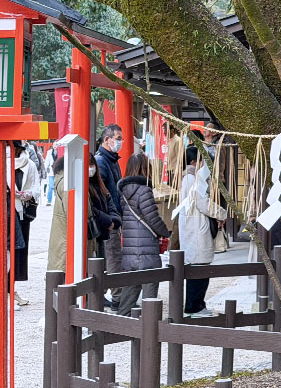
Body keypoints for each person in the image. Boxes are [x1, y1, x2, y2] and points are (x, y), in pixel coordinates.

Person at [116, 154, 170, 316]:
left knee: (130, 289)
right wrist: (166, 232)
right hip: (146, 249)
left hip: (130, 250)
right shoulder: (144, 190)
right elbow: (152, 218)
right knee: (150, 291)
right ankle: (149, 327)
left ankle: (121, 323)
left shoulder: (123, 191)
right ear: (145, 168)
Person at [179, 146, 225, 316]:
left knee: (198, 268)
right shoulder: (192, 179)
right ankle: (194, 305)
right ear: (194, 162)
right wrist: (221, 212)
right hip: (196, 229)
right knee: (199, 269)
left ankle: (197, 304)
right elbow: (202, 203)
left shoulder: (187, 178)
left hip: (193, 228)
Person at [95, 124, 124, 307]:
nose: (120, 142)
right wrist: (111, 219)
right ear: (107, 139)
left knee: (111, 258)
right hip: (108, 219)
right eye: (118, 138)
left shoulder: (112, 160)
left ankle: (111, 294)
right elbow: (103, 193)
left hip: (113, 217)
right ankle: (117, 298)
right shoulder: (101, 161)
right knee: (112, 257)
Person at [8, 141, 40, 306]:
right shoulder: (1, 161)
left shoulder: (30, 164)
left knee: (19, 252)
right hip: (7, 211)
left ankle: (11, 288)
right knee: (6, 252)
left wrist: (28, 194)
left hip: (23, 212)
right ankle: (7, 290)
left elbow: (37, 187)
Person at [47, 157, 67, 273]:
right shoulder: (66, 183)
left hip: (61, 236)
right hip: (65, 238)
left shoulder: (61, 179)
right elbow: (71, 213)